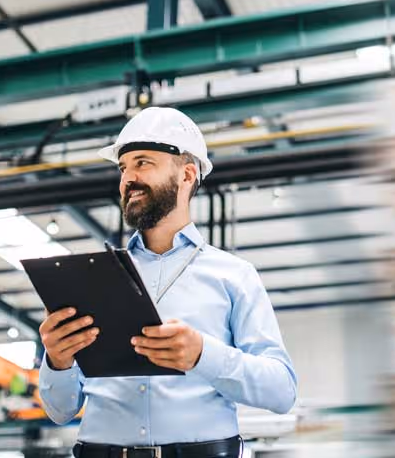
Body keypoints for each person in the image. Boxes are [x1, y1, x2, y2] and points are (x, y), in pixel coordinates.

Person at [37, 107, 297, 458]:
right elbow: (60, 410)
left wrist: (204, 354)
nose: (128, 178)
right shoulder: (92, 278)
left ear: (187, 174)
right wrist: (57, 360)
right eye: (123, 167)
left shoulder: (234, 275)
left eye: (143, 162)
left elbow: (281, 391)